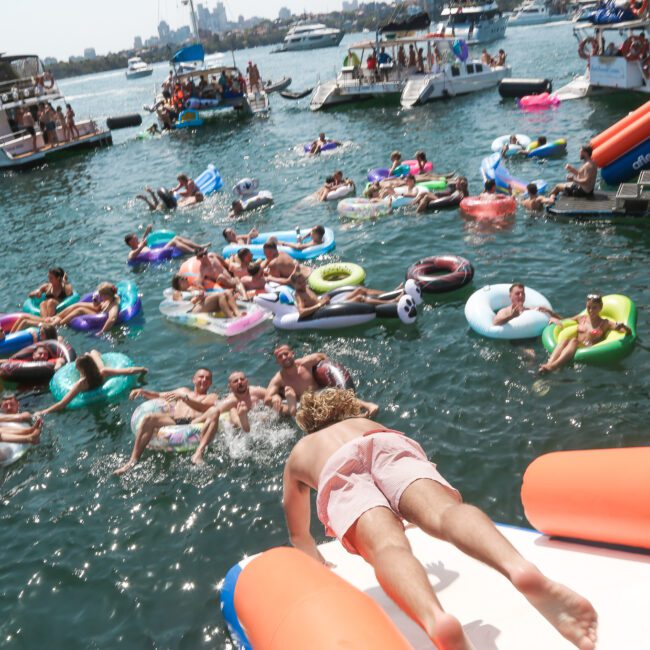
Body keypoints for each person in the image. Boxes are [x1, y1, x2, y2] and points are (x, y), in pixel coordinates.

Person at [282, 389, 598, 650]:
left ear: (306, 424)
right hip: (383, 444)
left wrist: (319, 565)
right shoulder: (362, 424)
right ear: (345, 408)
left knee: (387, 548)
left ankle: (436, 619)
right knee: (445, 514)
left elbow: (299, 534)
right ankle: (519, 568)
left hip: (336, 468)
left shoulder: (301, 451)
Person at [113, 368, 217, 474]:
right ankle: (132, 461)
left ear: (211, 383)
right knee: (148, 418)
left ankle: (198, 453)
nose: (204, 380)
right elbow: (159, 395)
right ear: (193, 379)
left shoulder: (211, 396)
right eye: (201, 377)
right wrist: (142, 392)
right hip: (175, 422)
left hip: (194, 422)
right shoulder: (183, 391)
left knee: (213, 411)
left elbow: (203, 408)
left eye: (208, 378)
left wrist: (184, 398)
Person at [265, 344, 378, 418]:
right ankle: (292, 407)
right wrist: (276, 397)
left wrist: (323, 374)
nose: (284, 358)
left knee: (336, 395)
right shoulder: (279, 378)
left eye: (286, 354)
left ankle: (368, 406)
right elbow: (267, 398)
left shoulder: (306, 363)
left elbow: (323, 357)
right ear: (277, 362)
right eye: (280, 357)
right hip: (304, 403)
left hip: (321, 393)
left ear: (292, 353)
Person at [35, 350, 147, 417]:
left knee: (91, 353)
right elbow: (129, 371)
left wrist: (43, 412)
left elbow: (63, 404)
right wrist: (142, 369)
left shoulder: (81, 383)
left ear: (80, 370)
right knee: (93, 352)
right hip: (104, 389)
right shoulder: (103, 372)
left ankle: (90, 354)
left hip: (89, 402)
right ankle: (92, 354)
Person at [190, 371, 267, 465]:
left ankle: (244, 421)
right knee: (233, 411)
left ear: (247, 382)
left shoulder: (257, 392)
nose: (240, 382)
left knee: (263, 416)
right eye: (235, 381)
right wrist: (196, 421)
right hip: (238, 422)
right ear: (230, 387)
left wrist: (276, 398)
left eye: (242, 379)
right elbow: (213, 411)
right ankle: (243, 422)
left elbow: (273, 394)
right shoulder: (229, 401)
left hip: (255, 418)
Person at [540, 294, 632, 373]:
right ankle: (549, 364)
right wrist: (551, 315)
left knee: (573, 340)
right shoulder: (581, 318)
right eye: (588, 307)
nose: (591, 310)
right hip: (574, 347)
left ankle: (554, 365)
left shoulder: (605, 323)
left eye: (594, 307)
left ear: (600, 308)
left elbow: (627, 332)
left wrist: (623, 326)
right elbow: (564, 321)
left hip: (589, 349)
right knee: (565, 340)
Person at [169, 274, 242, 319]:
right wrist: (196, 299)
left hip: (202, 304)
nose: (186, 280)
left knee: (226, 292)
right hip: (193, 310)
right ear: (178, 283)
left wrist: (200, 290)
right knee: (220, 295)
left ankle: (237, 313)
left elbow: (204, 294)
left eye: (186, 278)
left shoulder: (191, 289)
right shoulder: (177, 293)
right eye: (183, 279)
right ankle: (231, 317)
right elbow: (181, 307)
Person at [124, 224, 209, 262]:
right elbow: (132, 257)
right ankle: (194, 252)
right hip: (157, 255)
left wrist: (148, 230)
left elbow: (144, 239)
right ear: (130, 242)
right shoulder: (132, 252)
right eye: (135, 238)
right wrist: (142, 246)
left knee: (176, 237)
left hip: (158, 251)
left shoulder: (139, 244)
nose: (137, 239)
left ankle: (199, 246)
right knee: (174, 242)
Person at [493, 283, 558, 326]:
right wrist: (511, 316)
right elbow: (495, 323)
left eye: (523, 293)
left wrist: (550, 313)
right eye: (517, 294)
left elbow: (561, 320)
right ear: (510, 296)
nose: (521, 296)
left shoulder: (532, 310)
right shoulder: (505, 311)